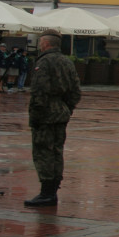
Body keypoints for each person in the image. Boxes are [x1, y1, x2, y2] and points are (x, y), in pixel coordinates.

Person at [24, 29, 81, 207]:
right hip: (60, 113)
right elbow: (76, 91)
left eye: (41, 41)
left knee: (43, 153)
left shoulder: (44, 62)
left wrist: (35, 115)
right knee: (57, 152)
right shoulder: (67, 62)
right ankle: (53, 190)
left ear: (46, 43)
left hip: (46, 115)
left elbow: (39, 92)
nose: (40, 44)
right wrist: (67, 109)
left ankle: (46, 192)